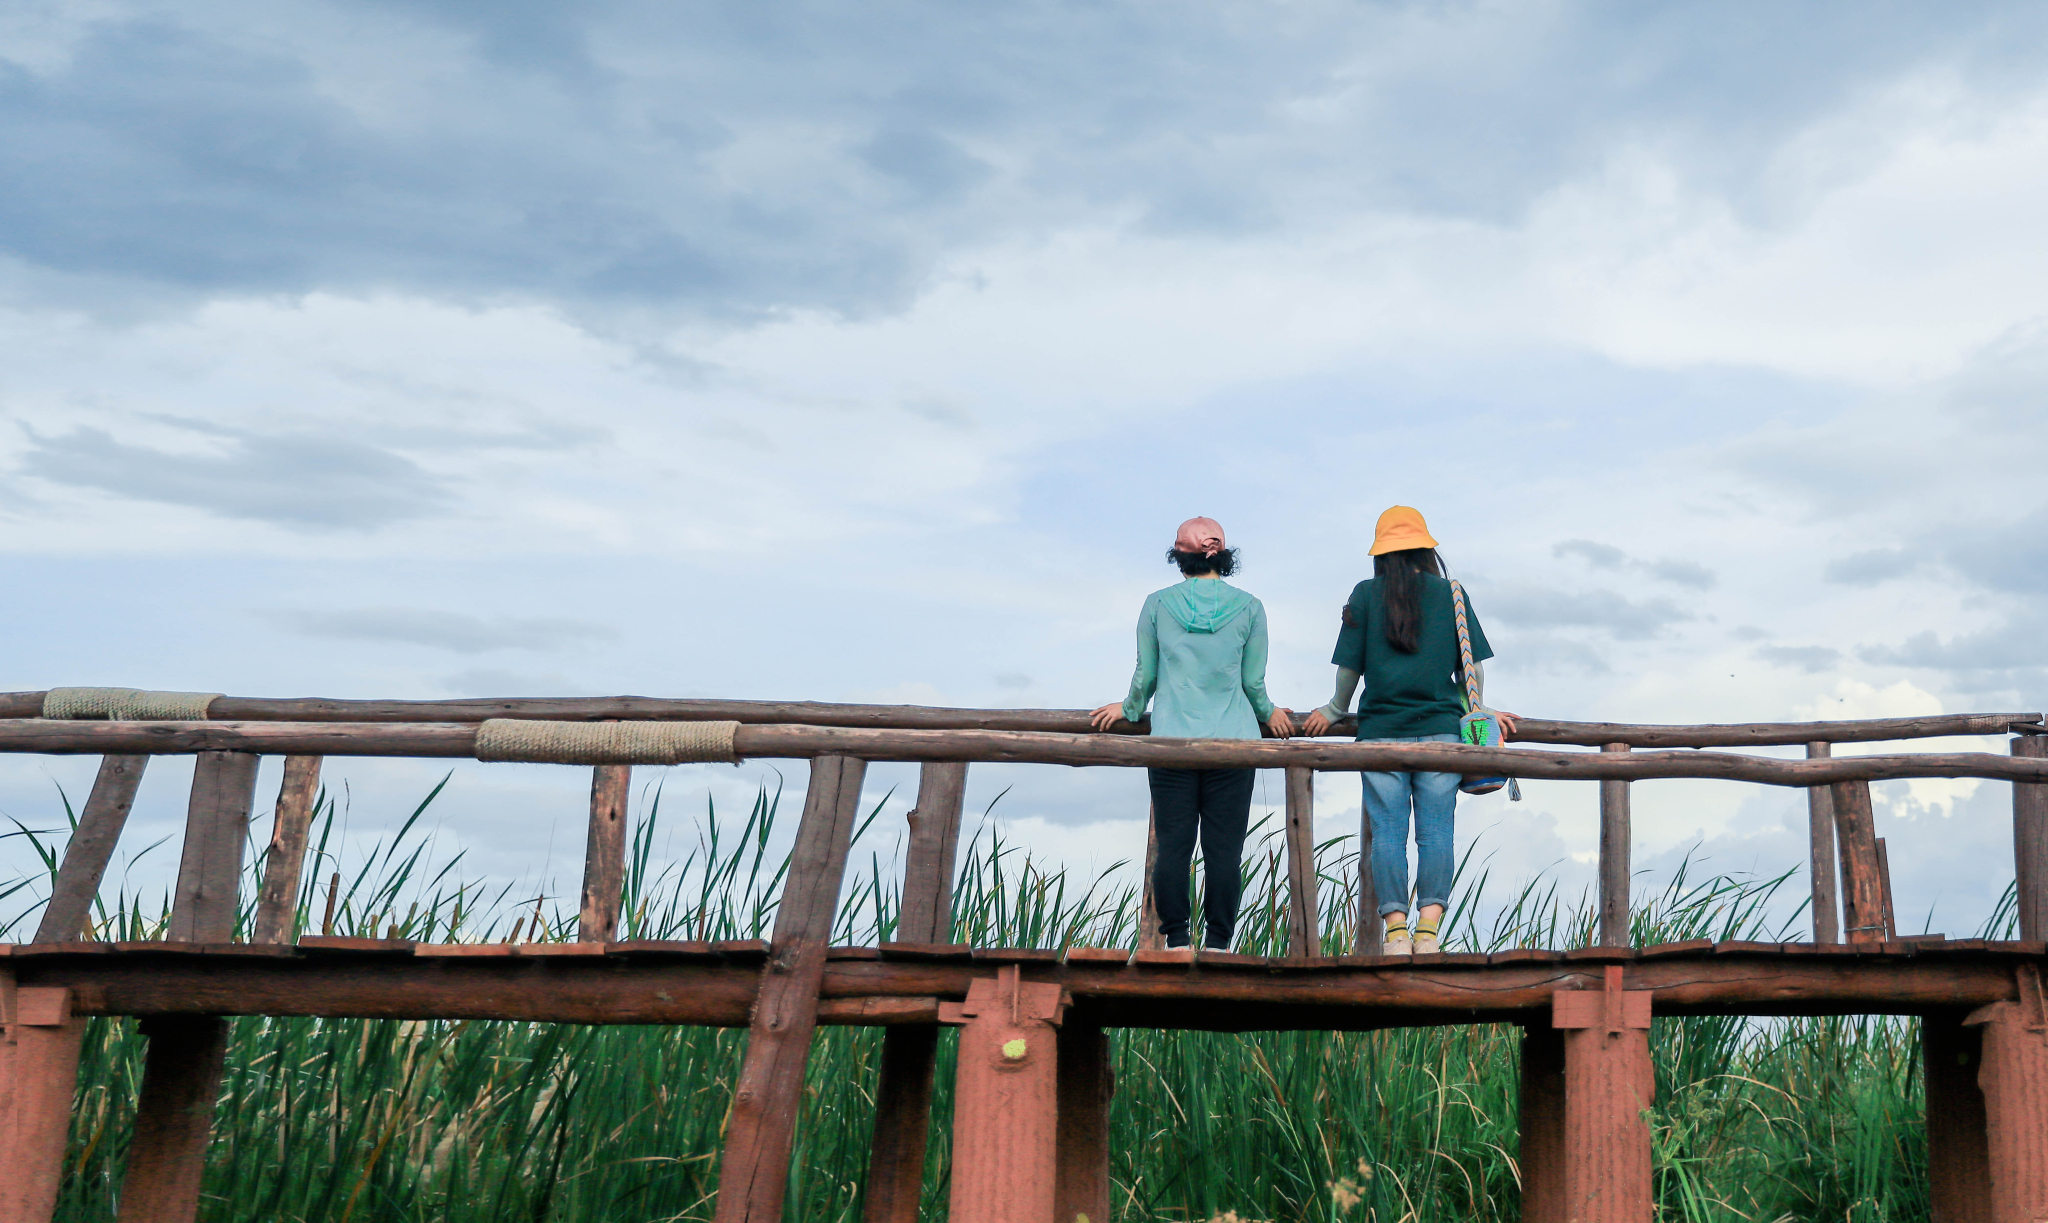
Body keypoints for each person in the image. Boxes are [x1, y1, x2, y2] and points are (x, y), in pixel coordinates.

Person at [1303, 507, 1515, 956]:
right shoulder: (1451, 594)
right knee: (1436, 832)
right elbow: (1471, 667)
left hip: (1379, 734)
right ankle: (1429, 932)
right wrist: (1479, 706)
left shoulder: (1364, 595)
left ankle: (1395, 932)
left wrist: (1334, 710)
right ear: (1426, 549)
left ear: (1381, 555)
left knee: (1388, 832)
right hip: (1441, 733)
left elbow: (1349, 669)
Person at [1092, 517, 1293, 957]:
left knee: (1174, 847)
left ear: (1178, 557)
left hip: (1171, 744)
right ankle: (1219, 943)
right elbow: (1252, 682)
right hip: (1234, 745)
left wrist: (1126, 711)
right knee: (1224, 851)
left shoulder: (1157, 604)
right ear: (1223, 555)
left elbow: (1145, 676)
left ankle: (1178, 940)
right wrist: (1270, 713)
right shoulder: (1250, 606)